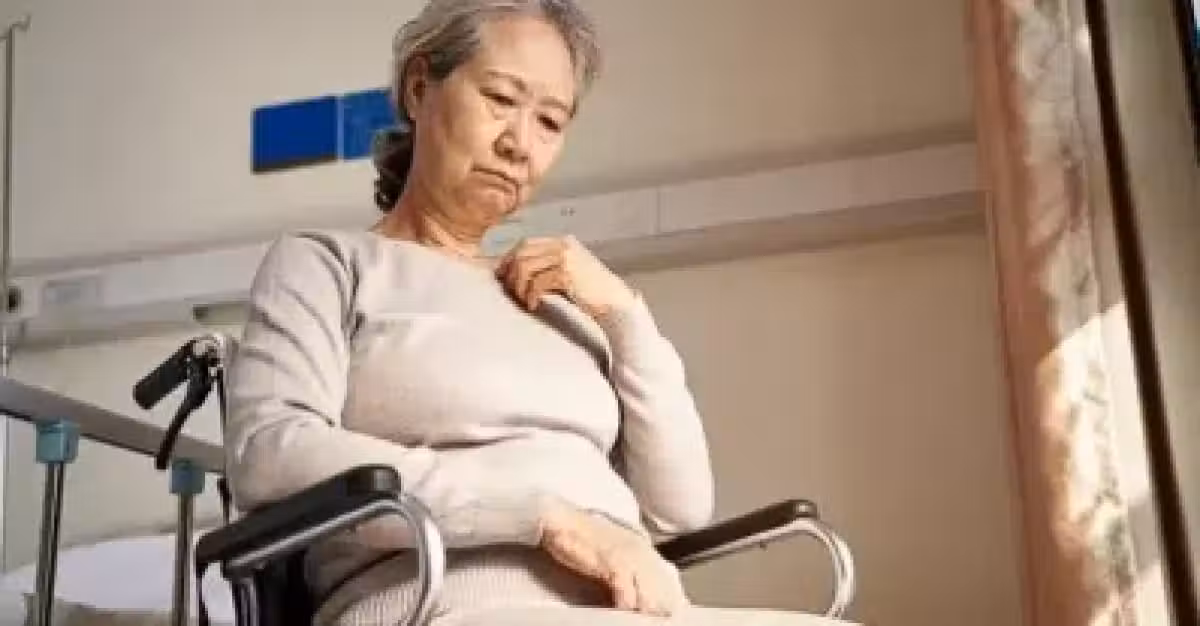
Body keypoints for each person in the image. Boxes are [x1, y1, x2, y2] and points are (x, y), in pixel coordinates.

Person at [225, 1, 853, 624]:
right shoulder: (327, 265)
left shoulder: (561, 307)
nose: (519, 145)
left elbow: (679, 508)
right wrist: (541, 518)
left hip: (627, 607)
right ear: (419, 89)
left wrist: (625, 317)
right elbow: (271, 453)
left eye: (550, 122)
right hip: (439, 601)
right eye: (501, 99)